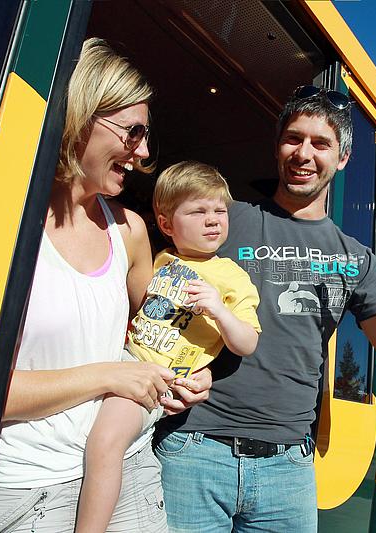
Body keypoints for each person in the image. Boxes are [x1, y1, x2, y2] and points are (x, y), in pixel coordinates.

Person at [156, 85, 376, 532]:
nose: (303, 153)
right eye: (293, 138)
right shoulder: (225, 219)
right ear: (277, 147)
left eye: (321, 143)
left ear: (342, 159)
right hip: (193, 449)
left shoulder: (357, 260)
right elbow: (148, 282)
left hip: (288, 470)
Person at [0, 39, 211, 533]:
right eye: (133, 132)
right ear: (82, 116)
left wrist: (190, 372)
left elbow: (164, 334)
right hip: (19, 491)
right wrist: (108, 375)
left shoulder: (129, 230)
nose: (144, 152)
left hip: (130, 475)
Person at [76, 161, 262, 533]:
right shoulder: (162, 259)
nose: (213, 220)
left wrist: (219, 310)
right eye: (198, 211)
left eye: (220, 210)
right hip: (123, 362)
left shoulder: (233, 278)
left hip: (154, 381)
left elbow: (247, 343)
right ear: (165, 224)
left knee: (106, 441)